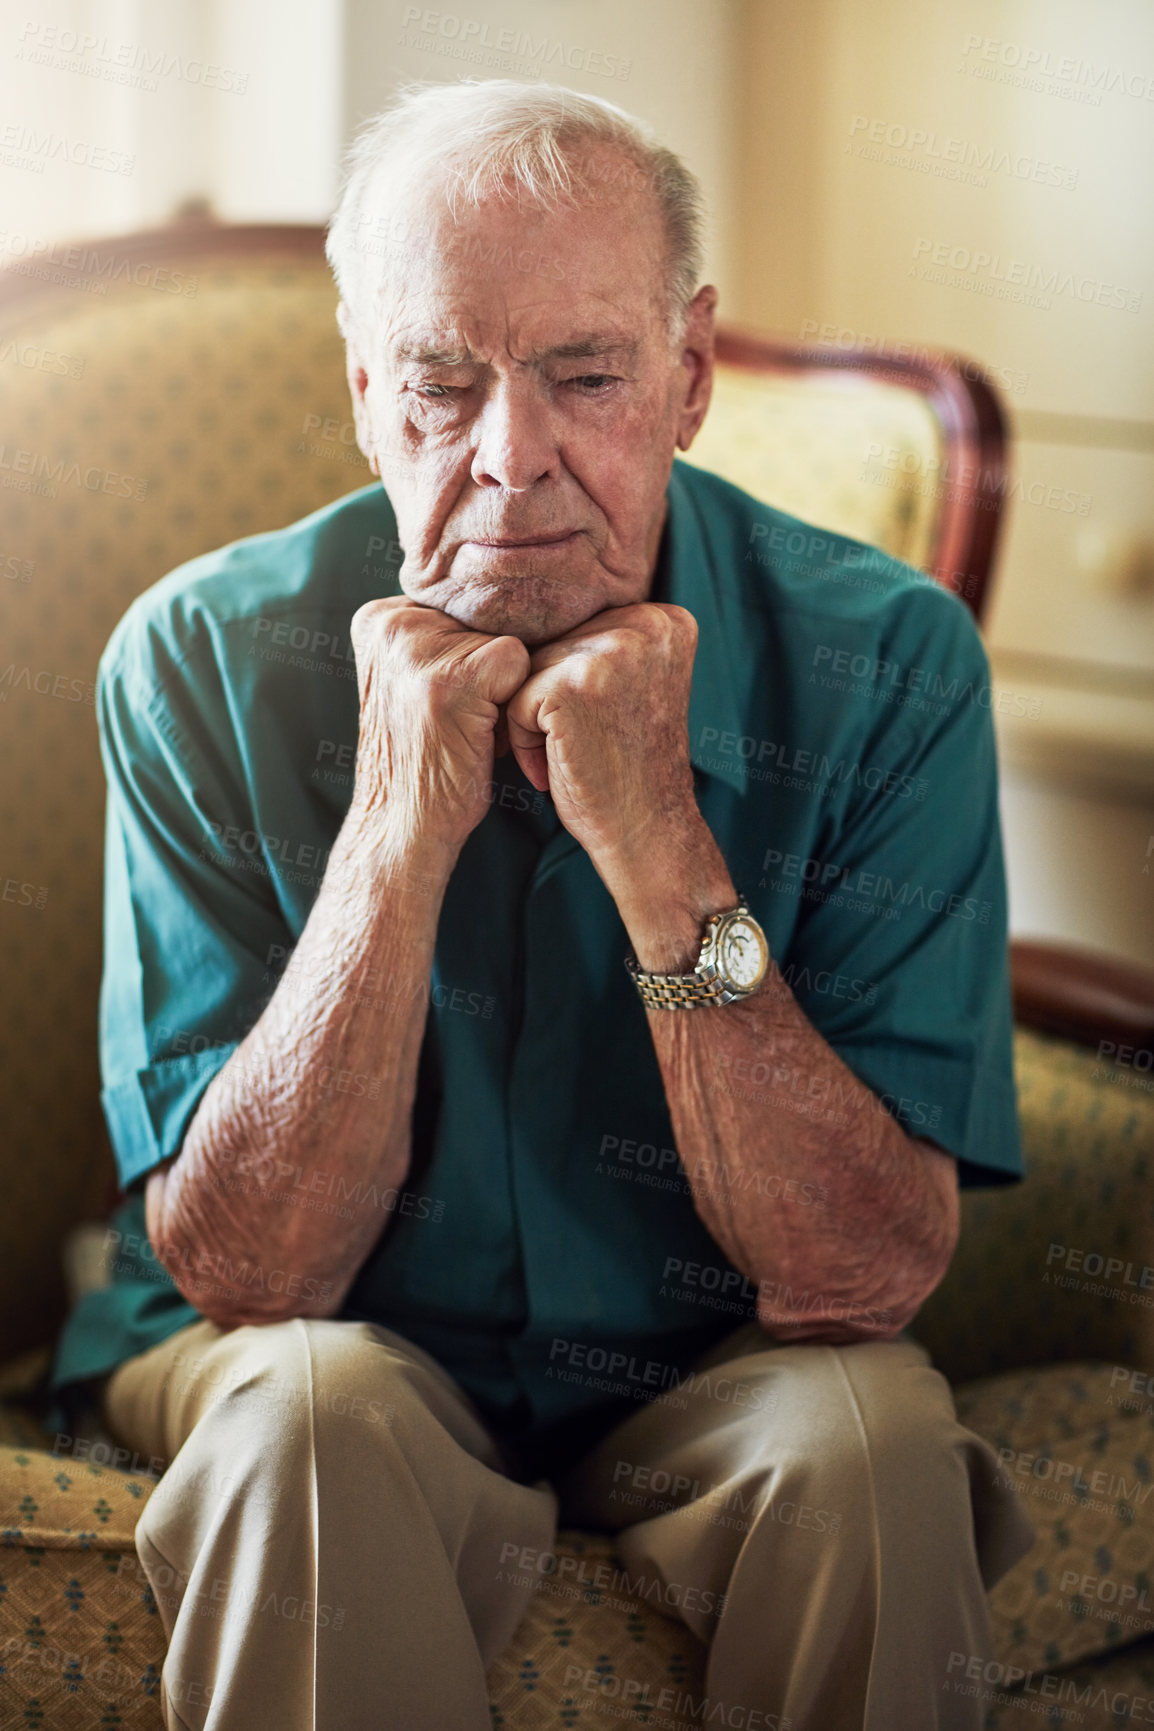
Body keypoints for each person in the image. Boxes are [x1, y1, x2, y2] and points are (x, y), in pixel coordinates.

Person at [48, 79, 1035, 1730]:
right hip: (316, 1345)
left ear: (688, 376)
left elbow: (863, 1281)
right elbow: (244, 1271)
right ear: (364, 390)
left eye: (584, 378)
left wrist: (659, 843)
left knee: (862, 1443)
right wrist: (395, 818)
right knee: (310, 1414)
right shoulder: (200, 659)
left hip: (715, 1364)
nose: (510, 464)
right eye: (439, 388)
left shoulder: (888, 661)